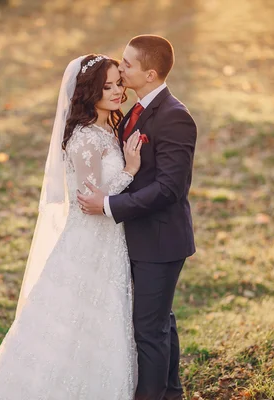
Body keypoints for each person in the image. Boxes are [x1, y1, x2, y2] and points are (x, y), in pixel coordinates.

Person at [0, 54, 144, 399]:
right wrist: (130, 171)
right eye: (106, 87)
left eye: (118, 82)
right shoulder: (83, 139)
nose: (117, 90)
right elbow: (91, 200)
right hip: (89, 243)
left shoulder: (109, 128)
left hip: (110, 242)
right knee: (76, 319)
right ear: (88, 93)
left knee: (103, 319)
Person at [77, 35, 197, 400]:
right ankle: (171, 392)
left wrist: (110, 206)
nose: (121, 66)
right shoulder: (135, 109)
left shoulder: (175, 117)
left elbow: (169, 189)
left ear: (151, 73)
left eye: (128, 64)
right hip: (137, 237)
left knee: (148, 330)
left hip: (160, 241)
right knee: (161, 322)